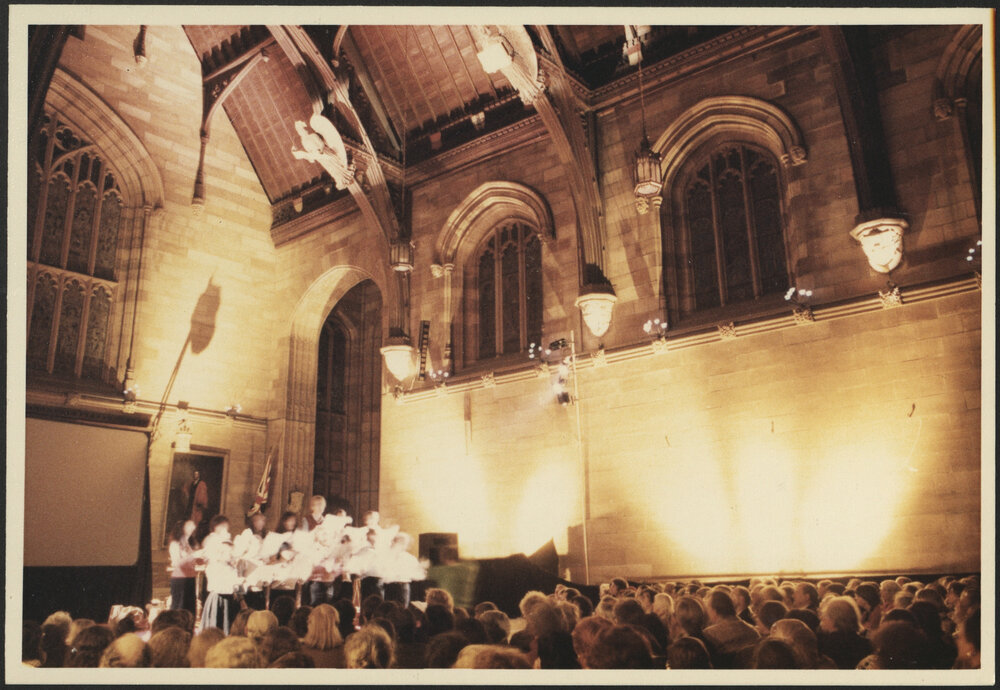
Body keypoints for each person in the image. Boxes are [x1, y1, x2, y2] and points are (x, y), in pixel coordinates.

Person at [200, 515, 242, 634]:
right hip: (219, 598)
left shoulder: (231, 566)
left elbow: (236, 582)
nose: (229, 552)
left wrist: (241, 599)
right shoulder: (216, 565)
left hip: (230, 599)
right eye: (226, 550)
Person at [233, 513, 270, 610]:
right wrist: (241, 600)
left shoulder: (262, 561)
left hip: (259, 594)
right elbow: (237, 581)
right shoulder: (243, 560)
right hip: (247, 595)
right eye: (257, 544)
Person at [168, 520, 201, 616]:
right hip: (180, 579)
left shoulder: (189, 543)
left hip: (190, 578)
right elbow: (177, 563)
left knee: (189, 609)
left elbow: (193, 561)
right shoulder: (175, 544)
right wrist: (194, 556)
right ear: (182, 528)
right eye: (189, 525)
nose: (193, 528)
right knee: (179, 608)